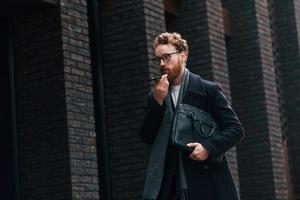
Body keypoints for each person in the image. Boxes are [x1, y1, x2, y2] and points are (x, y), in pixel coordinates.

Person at [140, 32, 244, 200]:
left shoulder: (207, 90)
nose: (161, 63)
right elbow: (147, 137)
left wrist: (208, 148)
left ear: (183, 55)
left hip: (205, 180)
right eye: (158, 59)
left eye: (166, 57)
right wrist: (157, 103)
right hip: (168, 185)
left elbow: (235, 129)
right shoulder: (156, 95)